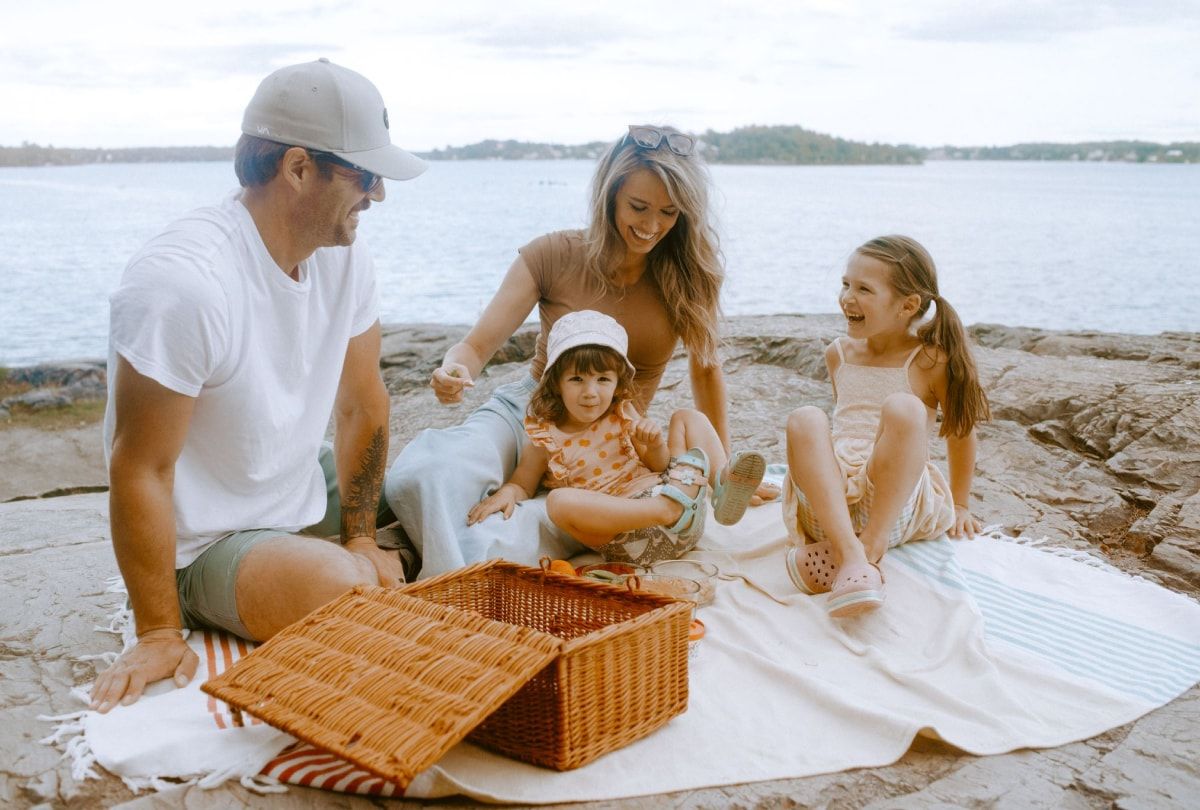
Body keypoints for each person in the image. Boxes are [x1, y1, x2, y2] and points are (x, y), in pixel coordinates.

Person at [89, 59, 427, 713]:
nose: (379, 193)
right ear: (298, 169)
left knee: (444, 491)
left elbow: (362, 403)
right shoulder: (183, 284)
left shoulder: (344, 253)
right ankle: (302, 568)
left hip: (294, 480)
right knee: (345, 591)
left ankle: (338, 549)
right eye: (364, 172)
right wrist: (158, 631)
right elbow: (140, 467)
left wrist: (360, 533)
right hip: (206, 538)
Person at [384, 124, 776, 578]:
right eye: (638, 207)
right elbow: (475, 346)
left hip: (610, 444)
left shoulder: (688, 276)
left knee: (499, 530)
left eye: (669, 212)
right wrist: (453, 370)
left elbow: (706, 373)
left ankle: (450, 577)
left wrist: (720, 472)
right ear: (609, 194)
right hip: (526, 413)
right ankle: (449, 567)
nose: (651, 226)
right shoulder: (552, 253)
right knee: (426, 473)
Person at [782, 235, 990, 618]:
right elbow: (846, 427)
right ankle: (850, 554)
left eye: (864, 289)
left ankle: (868, 549)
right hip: (830, 505)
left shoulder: (929, 359)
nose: (847, 297)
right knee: (805, 418)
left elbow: (961, 432)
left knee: (904, 409)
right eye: (846, 284)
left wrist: (960, 503)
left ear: (907, 305)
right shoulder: (838, 352)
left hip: (894, 506)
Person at [467, 310, 765, 564]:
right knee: (558, 502)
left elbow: (660, 467)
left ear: (617, 383)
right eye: (577, 379)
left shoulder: (622, 413)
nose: (590, 392)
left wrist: (655, 445)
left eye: (603, 380)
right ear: (556, 383)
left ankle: (722, 486)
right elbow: (523, 483)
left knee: (687, 418)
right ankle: (666, 506)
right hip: (629, 538)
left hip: (683, 515)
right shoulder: (545, 437)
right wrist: (508, 492)